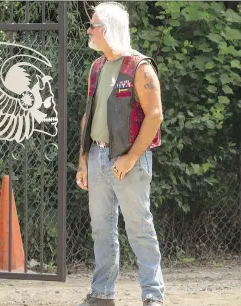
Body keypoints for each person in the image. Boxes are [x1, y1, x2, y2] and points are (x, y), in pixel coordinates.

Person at [76, 2, 165, 306]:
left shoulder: (140, 67)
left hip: (131, 160)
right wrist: (83, 160)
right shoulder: (97, 66)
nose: (89, 30)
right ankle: (102, 294)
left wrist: (129, 159)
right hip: (98, 157)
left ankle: (153, 296)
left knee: (139, 228)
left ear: (109, 29)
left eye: (94, 25)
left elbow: (155, 116)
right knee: (101, 229)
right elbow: (88, 116)